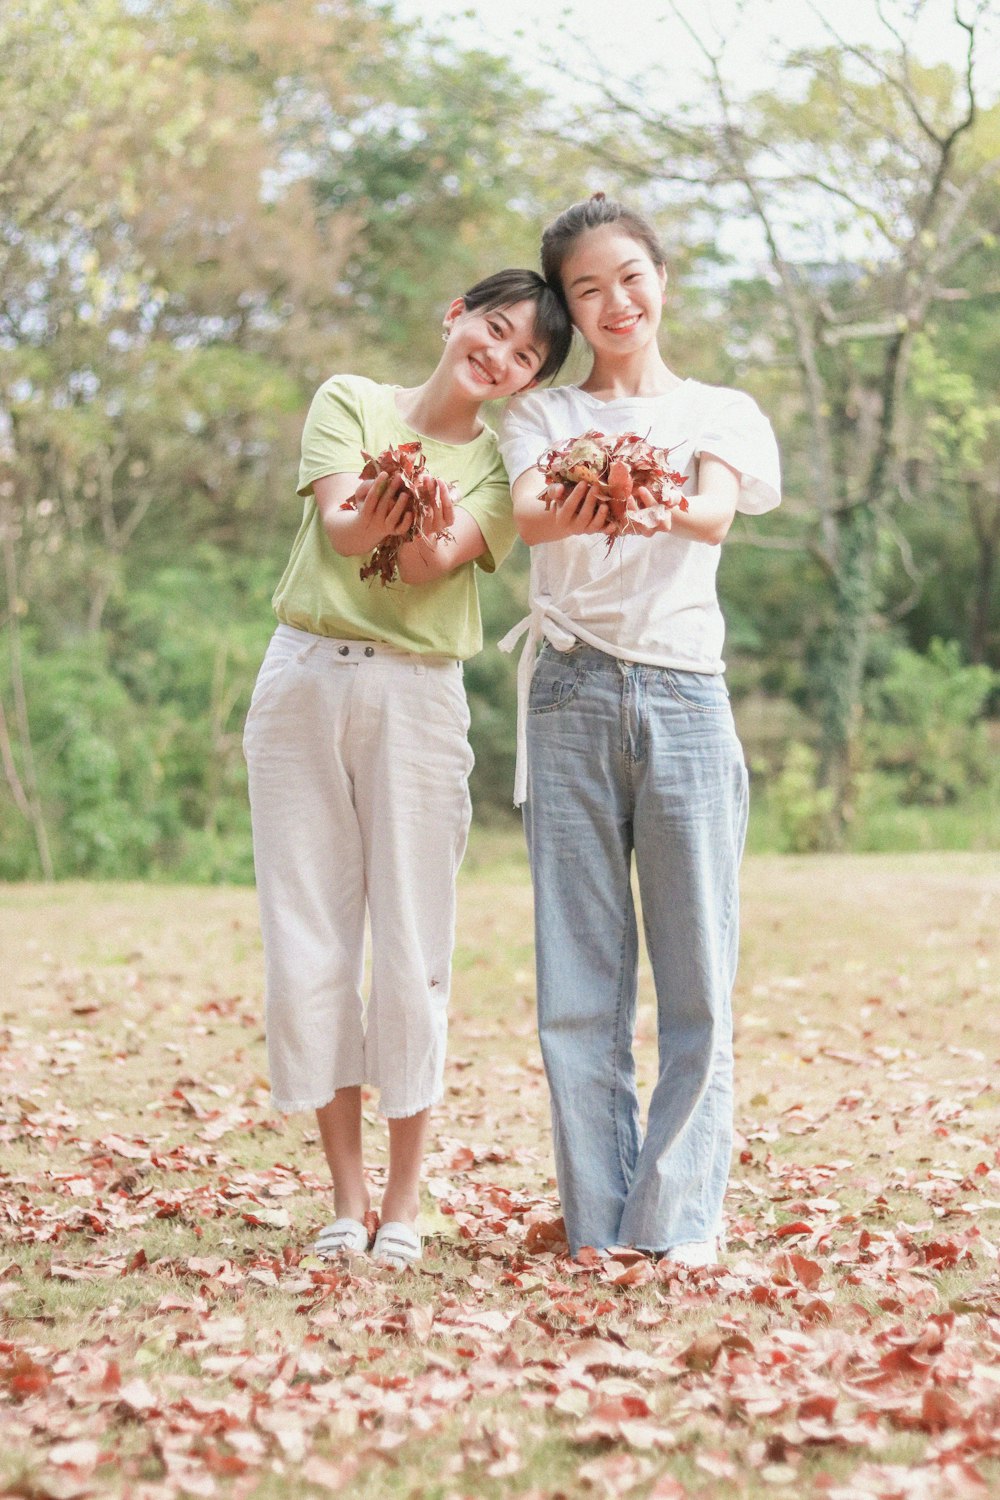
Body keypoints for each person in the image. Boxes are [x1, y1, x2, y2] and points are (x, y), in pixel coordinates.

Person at [244, 269, 571, 1269]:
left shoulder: (502, 469)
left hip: (417, 699)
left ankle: (403, 1202)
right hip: (302, 678)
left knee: (412, 946)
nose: (502, 357)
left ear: (525, 382)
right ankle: (343, 1199)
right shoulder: (348, 399)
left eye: (525, 357)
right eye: (497, 329)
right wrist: (394, 498)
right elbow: (345, 530)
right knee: (309, 944)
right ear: (455, 315)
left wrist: (412, 503)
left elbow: (430, 564)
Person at [498, 195, 780, 1264]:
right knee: (578, 983)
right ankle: (600, 1226)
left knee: (698, 977)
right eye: (586, 287)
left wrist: (633, 492)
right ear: (567, 308)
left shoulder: (721, 410)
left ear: (659, 279)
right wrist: (600, 484)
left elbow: (711, 511)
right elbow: (528, 513)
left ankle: (679, 1224)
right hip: (568, 694)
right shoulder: (540, 416)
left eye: (629, 276)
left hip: (683, 700)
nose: (615, 301)